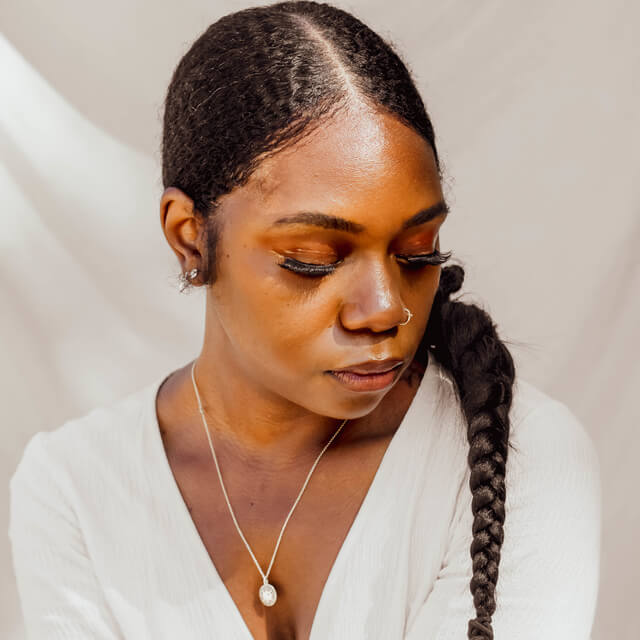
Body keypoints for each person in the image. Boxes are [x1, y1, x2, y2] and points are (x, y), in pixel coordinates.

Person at [8, 2, 602, 639]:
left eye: (418, 252)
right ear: (189, 237)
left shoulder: (518, 456)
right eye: (313, 259)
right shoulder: (74, 488)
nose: (386, 309)